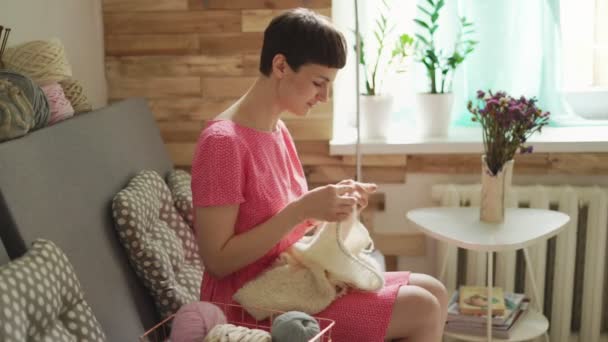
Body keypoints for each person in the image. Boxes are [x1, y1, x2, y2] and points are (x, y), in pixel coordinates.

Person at [190, 8, 448, 342]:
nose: (324, 98)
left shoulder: (277, 131)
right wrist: (302, 209)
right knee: (422, 308)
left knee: (435, 291)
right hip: (247, 303)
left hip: (287, 282)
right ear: (280, 66)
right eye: (318, 83)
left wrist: (333, 202)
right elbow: (218, 261)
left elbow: (288, 225)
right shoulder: (223, 143)